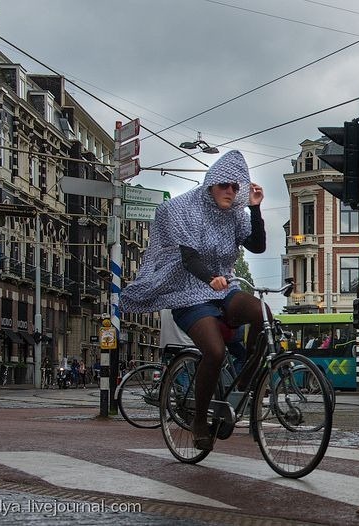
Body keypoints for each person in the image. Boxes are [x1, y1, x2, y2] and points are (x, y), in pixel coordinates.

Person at [120, 150, 266, 452]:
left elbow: (258, 246)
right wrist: (209, 277)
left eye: (235, 187)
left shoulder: (235, 214)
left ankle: (242, 386)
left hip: (224, 290)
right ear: (211, 183)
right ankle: (200, 421)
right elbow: (189, 257)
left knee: (264, 315)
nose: (230, 191)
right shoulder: (184, 209)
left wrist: (255, 209)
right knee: (213, 352)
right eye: (224, 184)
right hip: (189, 295)